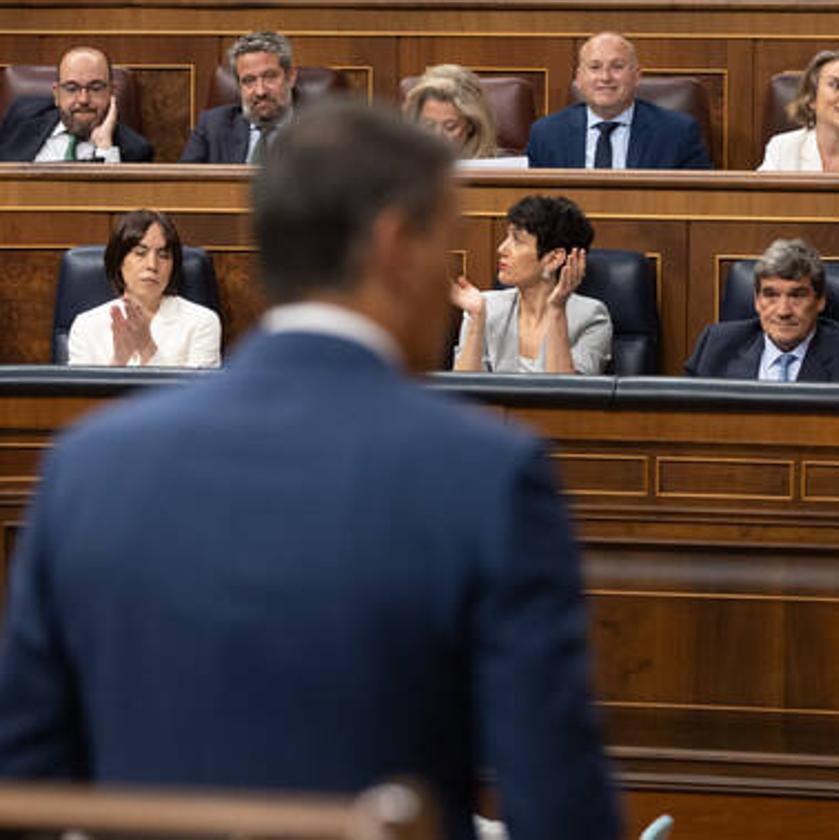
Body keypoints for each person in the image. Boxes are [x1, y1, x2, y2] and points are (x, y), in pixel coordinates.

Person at [0, 100, 620, 840]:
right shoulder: (487, 475)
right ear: (395, 246)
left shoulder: (89, 464)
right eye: (444, 242)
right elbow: (559, 806)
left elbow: (22, 780)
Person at [452, 195, 612, 374]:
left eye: (517, 240)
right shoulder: (485, 307)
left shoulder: (591, 318)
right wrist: (476, 320)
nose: (502, 249)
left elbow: (567, 395)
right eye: (507, 237)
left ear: (553, 259)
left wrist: (556, 309)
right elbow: (463, 393)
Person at [684, 238, 839, 382]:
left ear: (820, 300)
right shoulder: (715, 346)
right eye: (770, 295)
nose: (783, 311)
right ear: (756, 300)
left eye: (797, 296)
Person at [526, 32, 712, 170]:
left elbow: (700, 201)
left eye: (617, 67)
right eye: (595, 67)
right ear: (579, 78)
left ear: (636, 76)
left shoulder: (677, 133)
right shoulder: (546, 134)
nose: (605, 77)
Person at [67, 209, 221, 368]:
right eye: (140, 253)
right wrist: (119, 361)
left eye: (163, 255)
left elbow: (199, 392)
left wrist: (147, 348)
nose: (152, 265)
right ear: (119, 261)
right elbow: (82, 392)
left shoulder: (202, 322)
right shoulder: (86, 326)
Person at [0, 46, 153, 162]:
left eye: (95, 88)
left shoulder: (134, 150)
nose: (83, 100)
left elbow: (119, 201)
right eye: (72, 88)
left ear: (111, 92)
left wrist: (104, 148)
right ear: (57, 94)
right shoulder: (23, 117)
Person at [180, 31, 297, 164]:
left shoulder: (320, 132)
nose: (260, 91)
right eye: (249, 81)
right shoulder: (212, 126)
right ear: (238, 85)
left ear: (290, 77)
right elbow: (184, 182)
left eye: (270, 77)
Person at [402, 64, 500, 158]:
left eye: (450, 127)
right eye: (428, 125)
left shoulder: (502, 167)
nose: (437, 136)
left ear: (471, 125)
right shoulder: (400, 166)